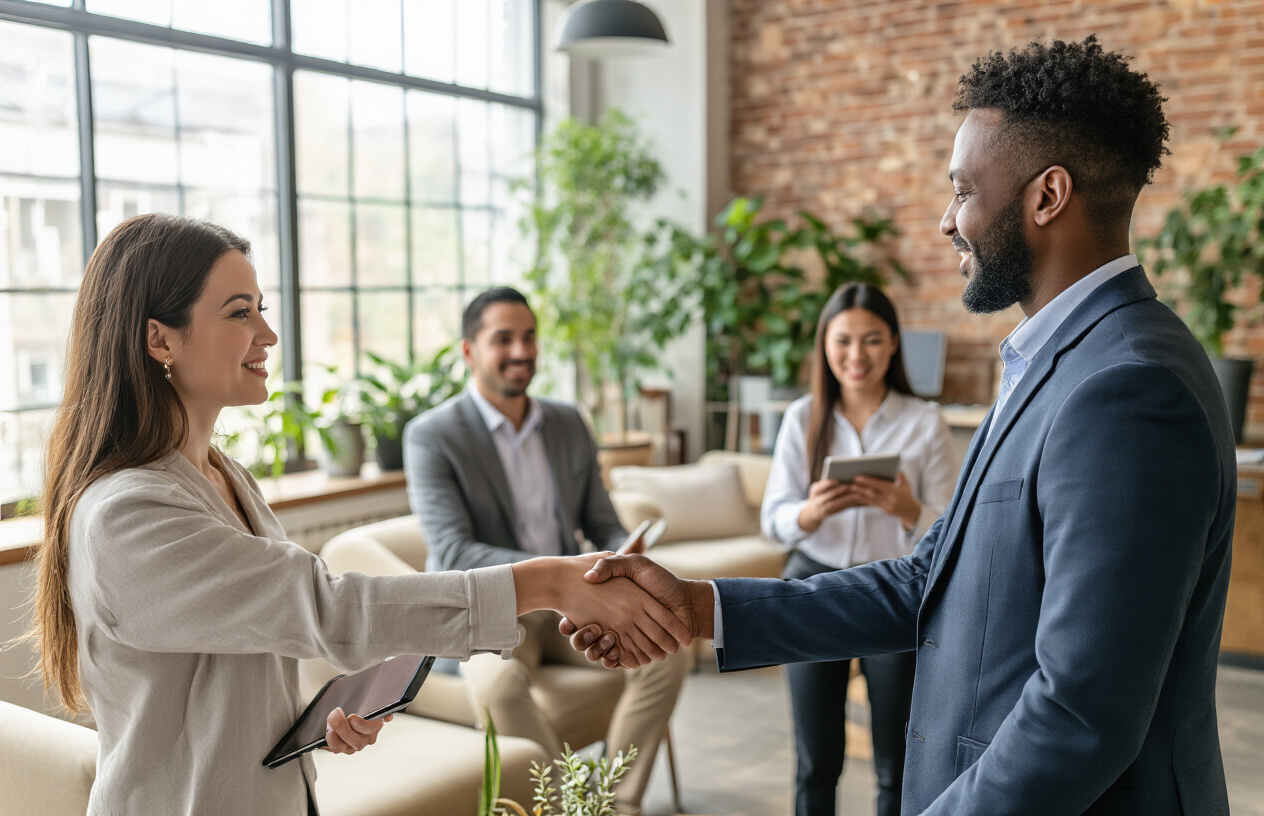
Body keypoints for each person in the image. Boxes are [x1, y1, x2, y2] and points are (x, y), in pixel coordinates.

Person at [570, 36, 1235, 815]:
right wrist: (697, 609)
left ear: (1047, 197)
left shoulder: (1126, 390)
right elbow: (932, 580)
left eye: (962, 191)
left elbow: (1080, 716)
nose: (946, 221)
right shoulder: (1063, 360)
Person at [25, 214, 687, 816]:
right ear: (158, 339)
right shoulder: (129, 512)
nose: (268, 334)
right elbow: (328, 607)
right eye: (238, 314)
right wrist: (548, 581)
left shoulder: (222, 474)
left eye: (262, 309)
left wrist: (321, 708)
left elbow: (262, 634)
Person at [402, 287, 689, 816]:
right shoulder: (432, 435)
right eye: (503, 339)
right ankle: (565, 809)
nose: (521, 351)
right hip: (489, 609)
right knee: (500, 685)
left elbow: (601, 521)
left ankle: (614, 804)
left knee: (668, 650)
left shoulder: (566, 422)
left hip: (569, 607)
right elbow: (452, 550)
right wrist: (558, 573)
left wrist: (621, 553)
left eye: (529, 337)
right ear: (469, 351)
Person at [762, 282, 955, 816]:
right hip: (815, 587)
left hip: (892, 591)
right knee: (815, 761)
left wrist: (907, 510)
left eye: (871, 341)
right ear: (825, 345)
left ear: (893, 344)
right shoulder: (804, 417)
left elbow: (951, 530)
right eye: (843, 341)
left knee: (897, 765)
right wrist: (811, 512)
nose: (856, 356)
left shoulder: (924, 423)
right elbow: (773, 519)